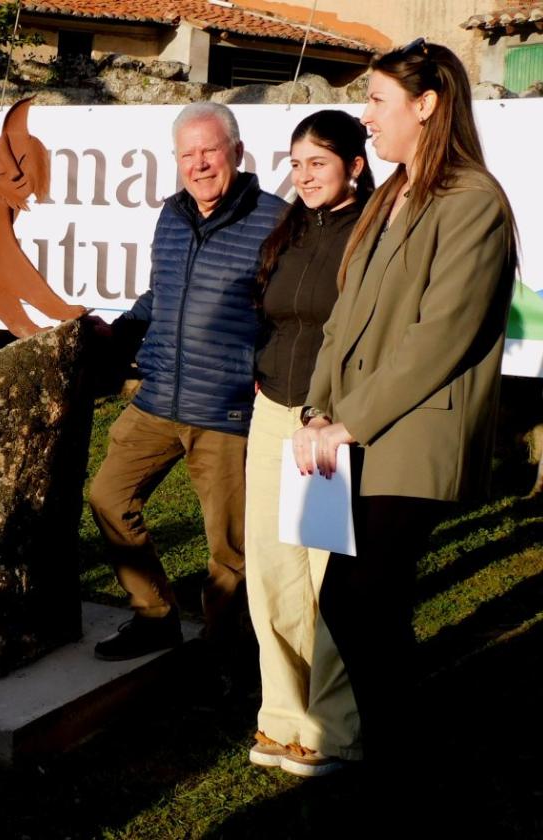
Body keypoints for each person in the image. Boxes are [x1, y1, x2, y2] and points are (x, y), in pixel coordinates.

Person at [291, 40, 518, 766]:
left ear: (426, 106)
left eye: (379, 101)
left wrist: (350, 419)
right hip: (354, 432)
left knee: (361, 604)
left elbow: (439, 336)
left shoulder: (473, 202)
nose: (367, 116)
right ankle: (399, 752)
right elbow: (346, 313)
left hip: (412, 438)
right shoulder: (389, 196)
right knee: (353, 607)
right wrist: (319, 408)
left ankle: (402, 760)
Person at [88, 102, 286, 661]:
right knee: (108, 497)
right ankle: (154, 617)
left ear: (237, 154)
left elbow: (288, 313)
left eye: (210, 151)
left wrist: (264, 374)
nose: (199, 164)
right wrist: (123, 331)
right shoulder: (172, 216)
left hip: (225, 411)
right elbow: (163, 293)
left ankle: (221, 654)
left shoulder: (275, 221)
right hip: (157, 399)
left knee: (230, 548)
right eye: (187, 155)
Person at [244, 110, 373, 777]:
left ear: (354, 164)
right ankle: (282, 717)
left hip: (332, 419)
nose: (305, 176)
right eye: (296, 164)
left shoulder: (376, 231)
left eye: (318, 162)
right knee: (271, 572)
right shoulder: (288, 229)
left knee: (325, 576)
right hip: (272, 413)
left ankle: (334, 725)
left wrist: (335, 417)